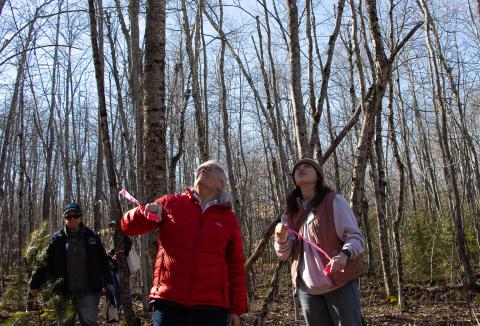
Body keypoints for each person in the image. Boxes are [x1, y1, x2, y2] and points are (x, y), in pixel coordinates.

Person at [120, 160, 247, 326]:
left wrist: (236, 310)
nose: (204, 169)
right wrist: (143, 213)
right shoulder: (171, 203)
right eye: (201, 168)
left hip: (212, 308)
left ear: (220, 184)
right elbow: (127, 227)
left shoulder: (229, 219)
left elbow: (236, 267)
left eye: (211, 169)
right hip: (169, 301)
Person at [274, 158, 365, 326]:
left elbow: (355, 237)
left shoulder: (333, 201)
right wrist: (280, 239)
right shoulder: (290, 212)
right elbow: (284, 254)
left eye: (307, 166)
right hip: (307, 291)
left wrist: (345, 254)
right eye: (297, 168)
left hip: (339, 284)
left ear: (318, 176)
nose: (301, 169)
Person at [29, 202, 113, 326]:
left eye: (75, 215)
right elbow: (43, 261)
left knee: (90, 323)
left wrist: (109, 282)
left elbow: (103, 261)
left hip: (88, 292)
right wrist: (34, 283)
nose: (72, 219)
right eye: (69, 217)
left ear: (80, 217)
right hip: (64, 294)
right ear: (64, 219)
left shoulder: (92, 237)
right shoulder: (56, 239)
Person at [107, 220, 133, 312]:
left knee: (125, 290)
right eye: (112, 226)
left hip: (123, 268)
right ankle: (118, 310)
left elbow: (127, 247)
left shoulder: (125, 237)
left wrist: (113, 252)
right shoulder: (113, 238)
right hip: (113, 268)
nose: (113, 228)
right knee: (116, 291)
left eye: (114, 226)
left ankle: (128, 311)